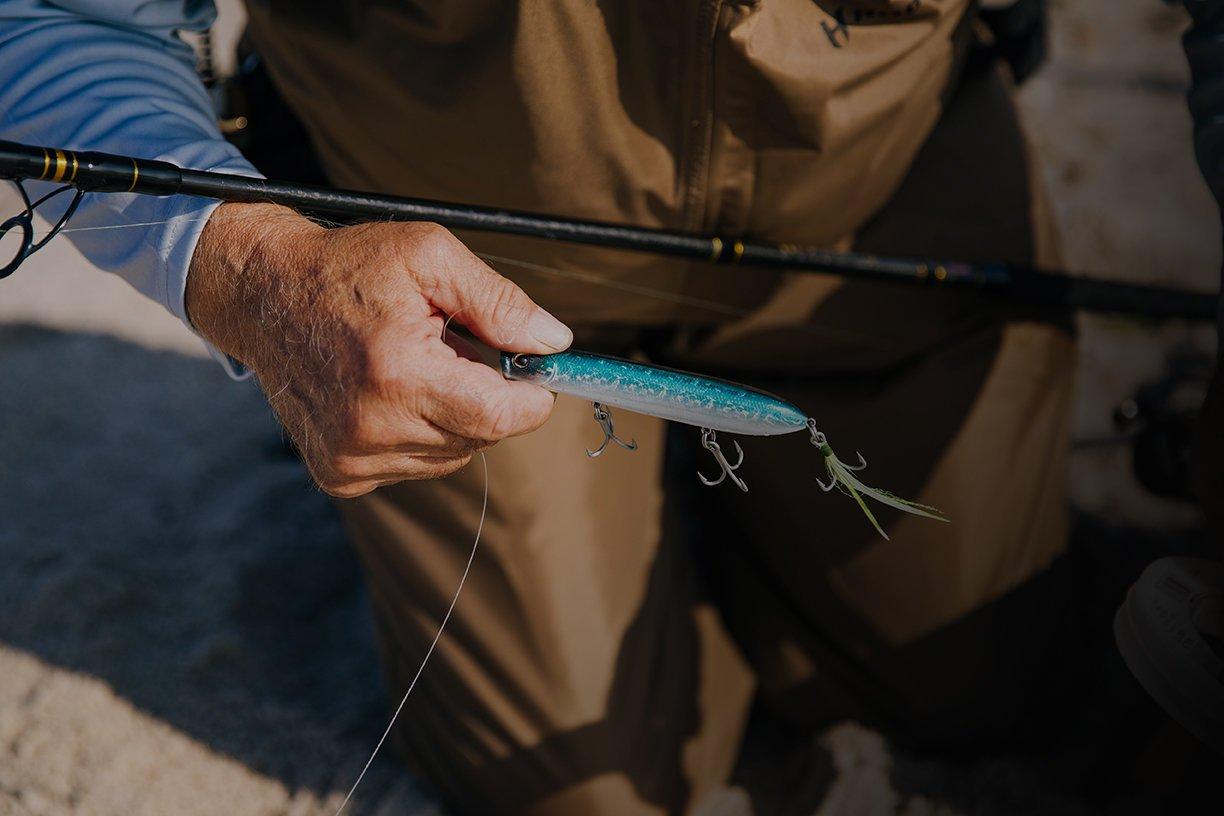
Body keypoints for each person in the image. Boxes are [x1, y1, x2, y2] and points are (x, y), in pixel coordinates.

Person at [0, 2, 1218, 814]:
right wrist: (253, 272)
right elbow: (56, 14)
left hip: (883, 215)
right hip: (452, 278)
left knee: (983, 677)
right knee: (585, 793)